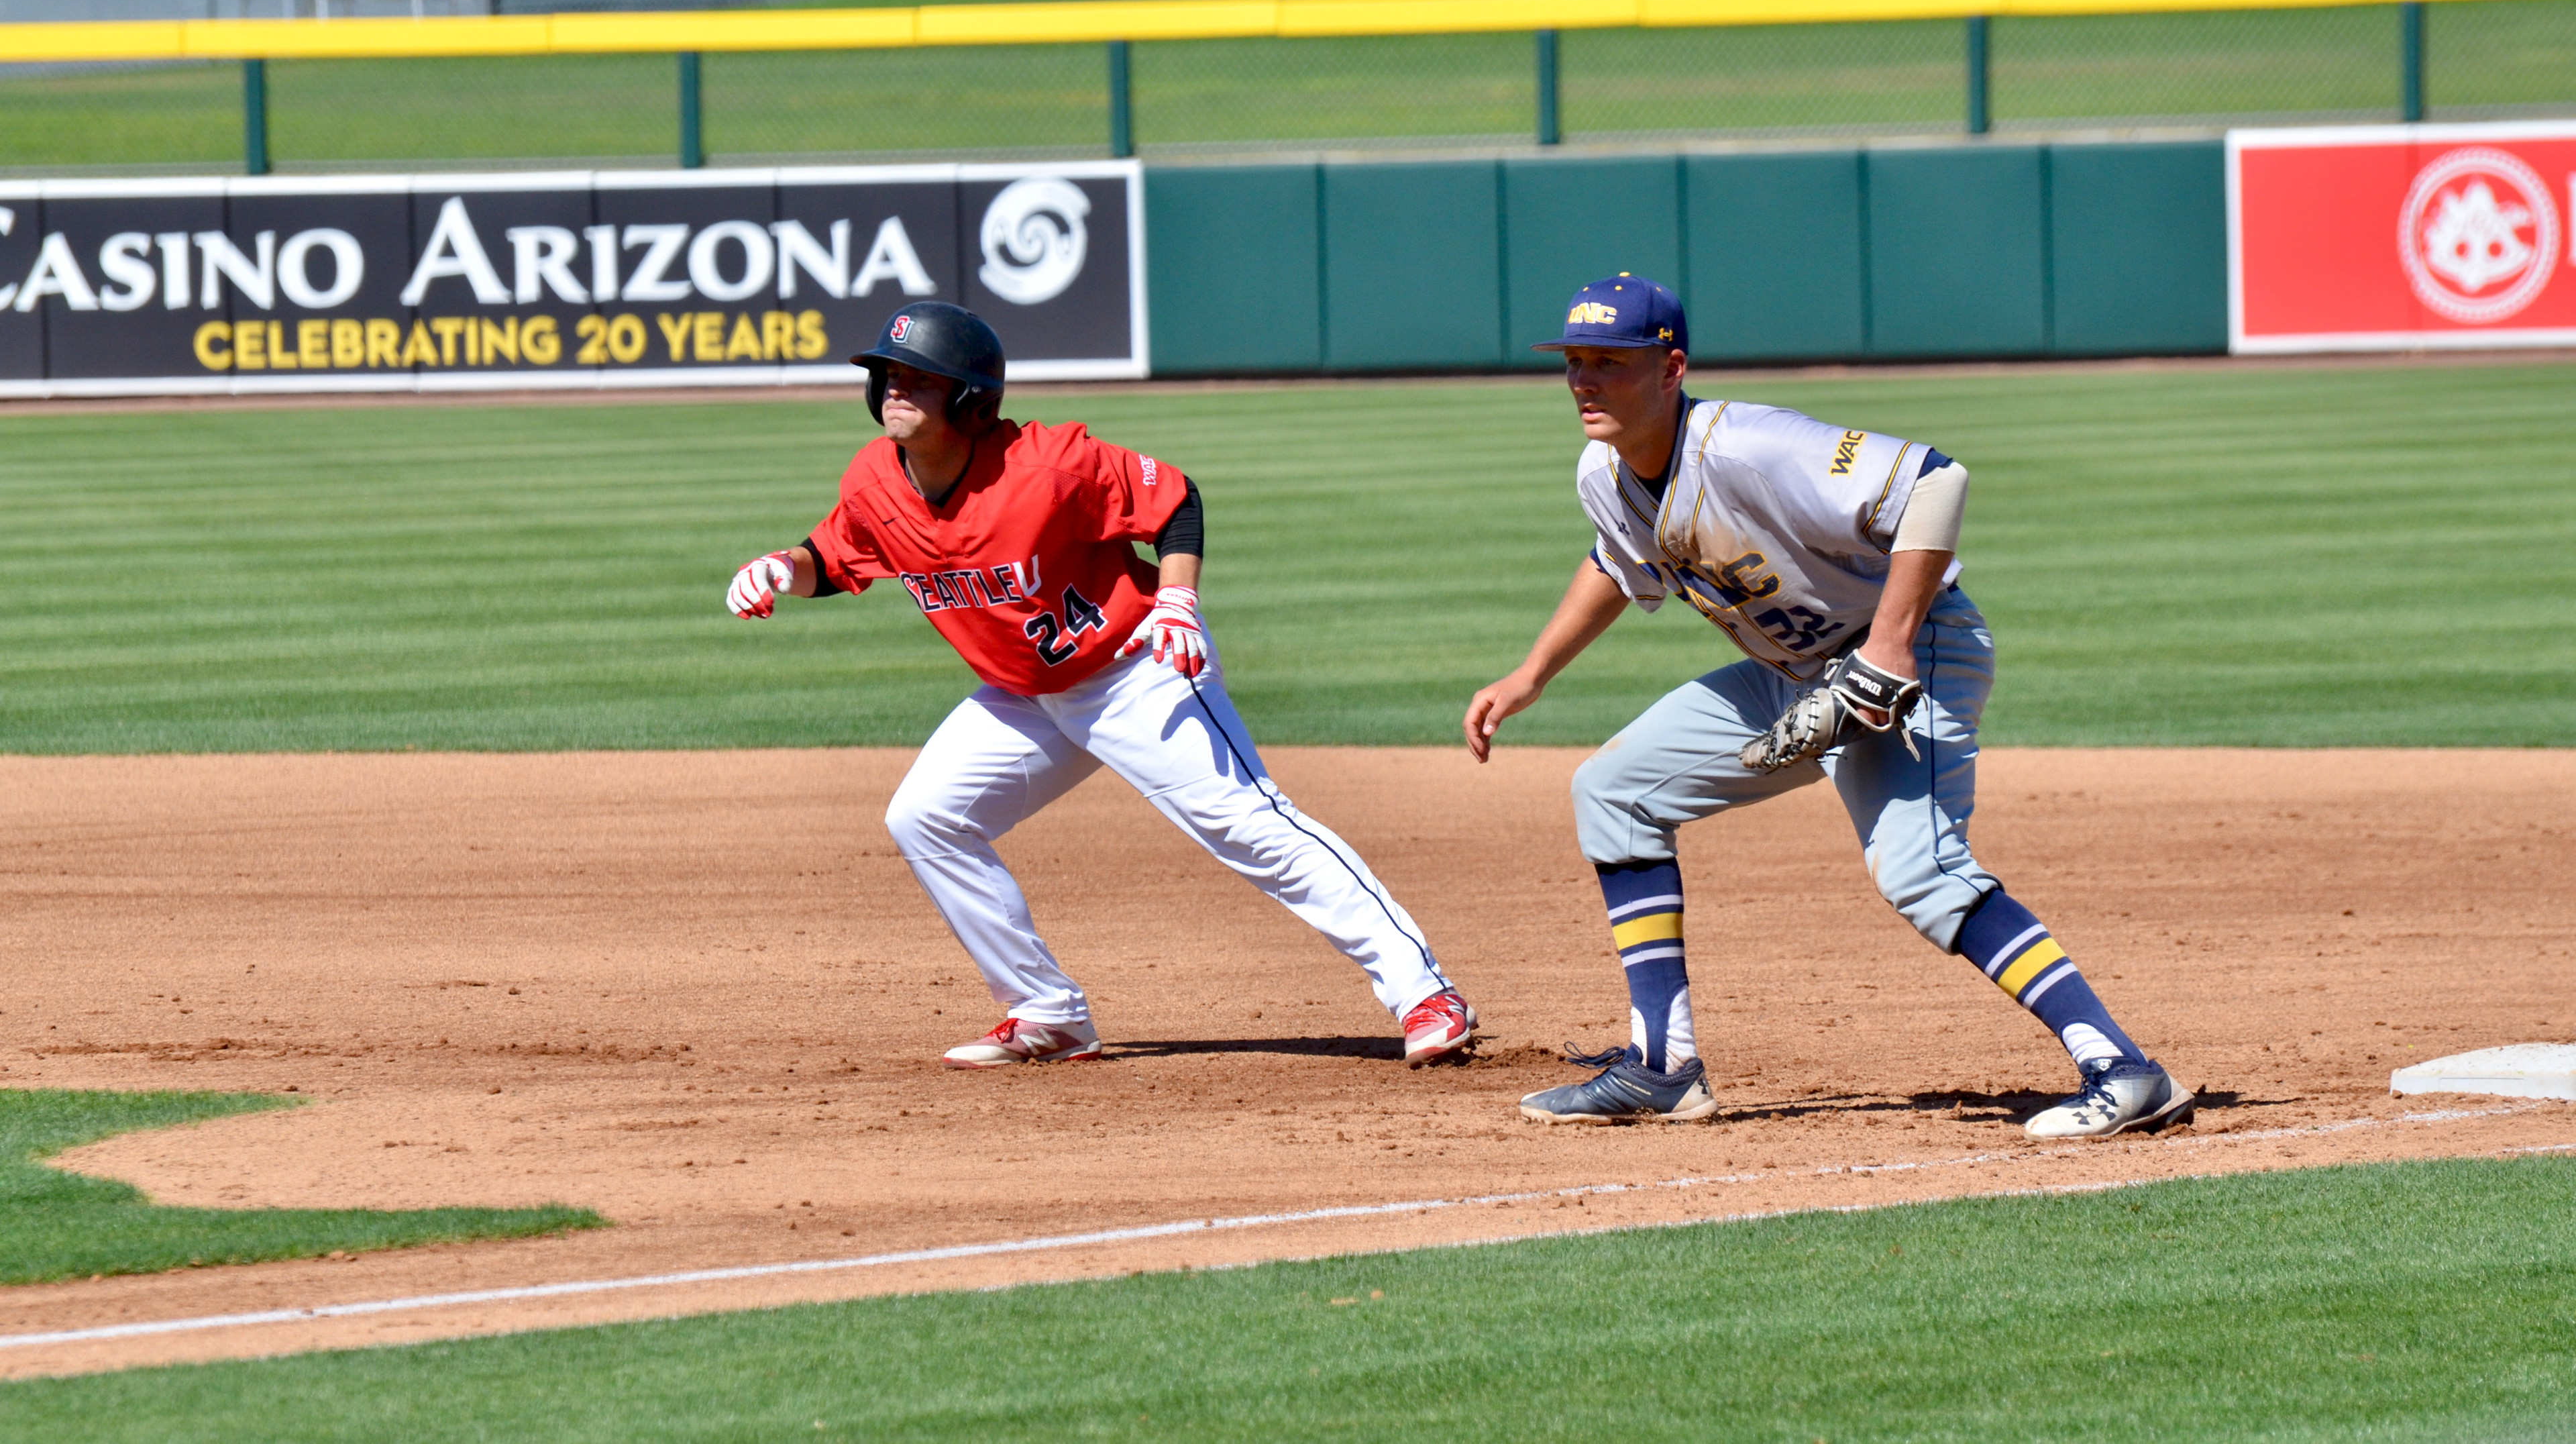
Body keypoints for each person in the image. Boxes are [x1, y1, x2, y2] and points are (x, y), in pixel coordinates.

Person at [1463, 275, 2189, 1138]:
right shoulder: (1605, 472)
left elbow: (1935, 480)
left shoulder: (1752, 447)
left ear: (1670, 368)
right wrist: (1532, 673)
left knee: (1920, 871)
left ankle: (2124, 1067)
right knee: (1614, 793)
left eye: (1610, 363)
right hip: (1793, 671)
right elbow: (1621, 562)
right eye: (1575, 363)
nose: (1585, 381)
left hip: (1911, 654)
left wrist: (1884, 648)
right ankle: (1662, 1067)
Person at [729, 301, 1475, 1070]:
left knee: (1247, 822)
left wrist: (1179, 598)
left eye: (919, 377)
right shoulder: (875, 478)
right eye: (888, 373)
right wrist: (781, 569)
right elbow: (834, 553)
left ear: (970, 399)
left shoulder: (1050, 465)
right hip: (1025, 695)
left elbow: (1176, 498)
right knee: (925, 816)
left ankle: (1426, 993)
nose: (895, 387)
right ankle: (1046, 1012)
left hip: (1135, 667)